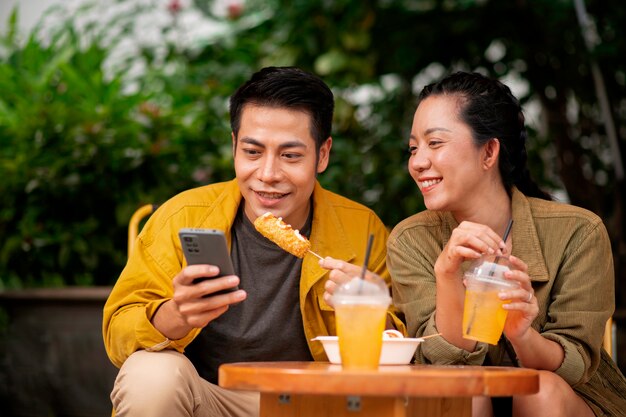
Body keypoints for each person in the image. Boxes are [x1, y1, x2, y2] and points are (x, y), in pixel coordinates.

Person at [103, 66, 404, 417]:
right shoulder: (182, 216)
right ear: (233, 146)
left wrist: (371, 309)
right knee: (150, 373)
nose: (267, 175)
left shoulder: (362, 230)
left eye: (290, 156)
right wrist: (176, 315)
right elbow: (118, 333)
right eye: (252, 152)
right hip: (213, 402)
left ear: (322, 155)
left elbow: (404, 354)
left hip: (321, 406)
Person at [386, 71, 626, 417]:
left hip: (569, 402)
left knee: (538, 388)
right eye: (413, 148)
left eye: (435, 143)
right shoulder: (411, 240)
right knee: (462, 389)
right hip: (464, 402)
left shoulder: (579, 231)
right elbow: (442, 361)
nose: (418, 162)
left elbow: (576, 366)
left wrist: (522, 334)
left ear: (489, 152)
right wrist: (447, 274)